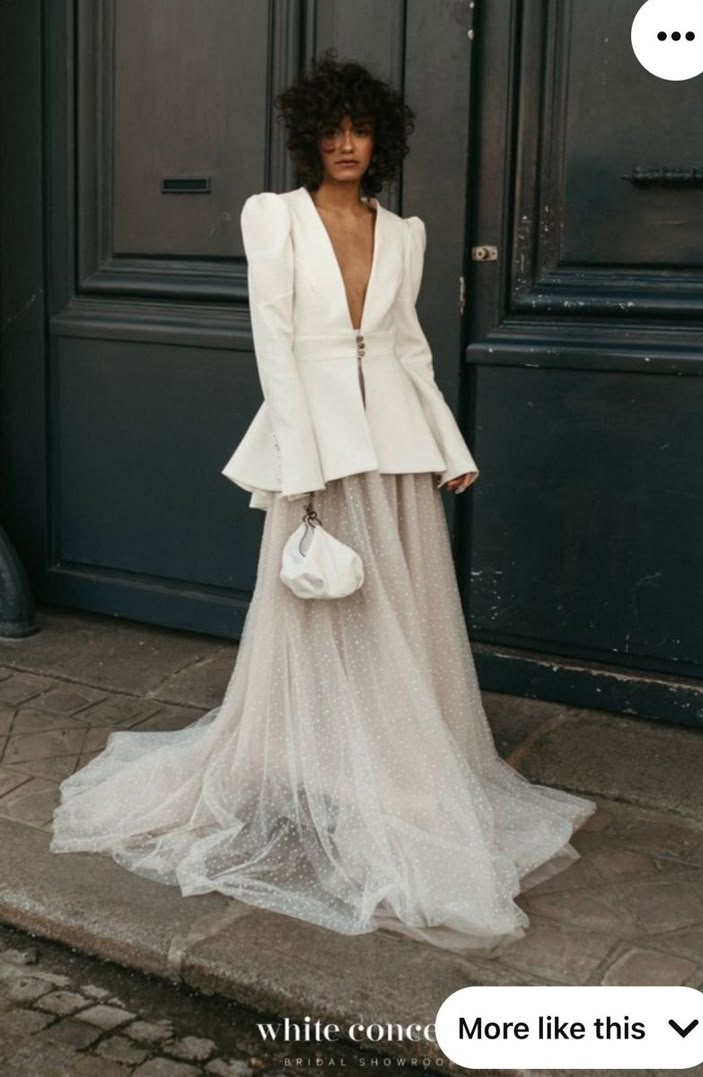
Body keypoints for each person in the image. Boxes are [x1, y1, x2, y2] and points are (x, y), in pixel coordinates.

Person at [50, 50, 596, 953]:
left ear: (380, 138)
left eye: (361, 129)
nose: (347, 144)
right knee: (321, 607)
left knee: (397, 607)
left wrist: (449, 447)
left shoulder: (406, 232)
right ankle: (308, 763)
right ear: (310, 138)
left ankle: (391, 770)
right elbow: (275, 340)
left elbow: (409, 347)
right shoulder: (276, 219)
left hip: (392, 448)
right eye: (331, 131)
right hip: (316, 445)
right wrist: (299, 461)